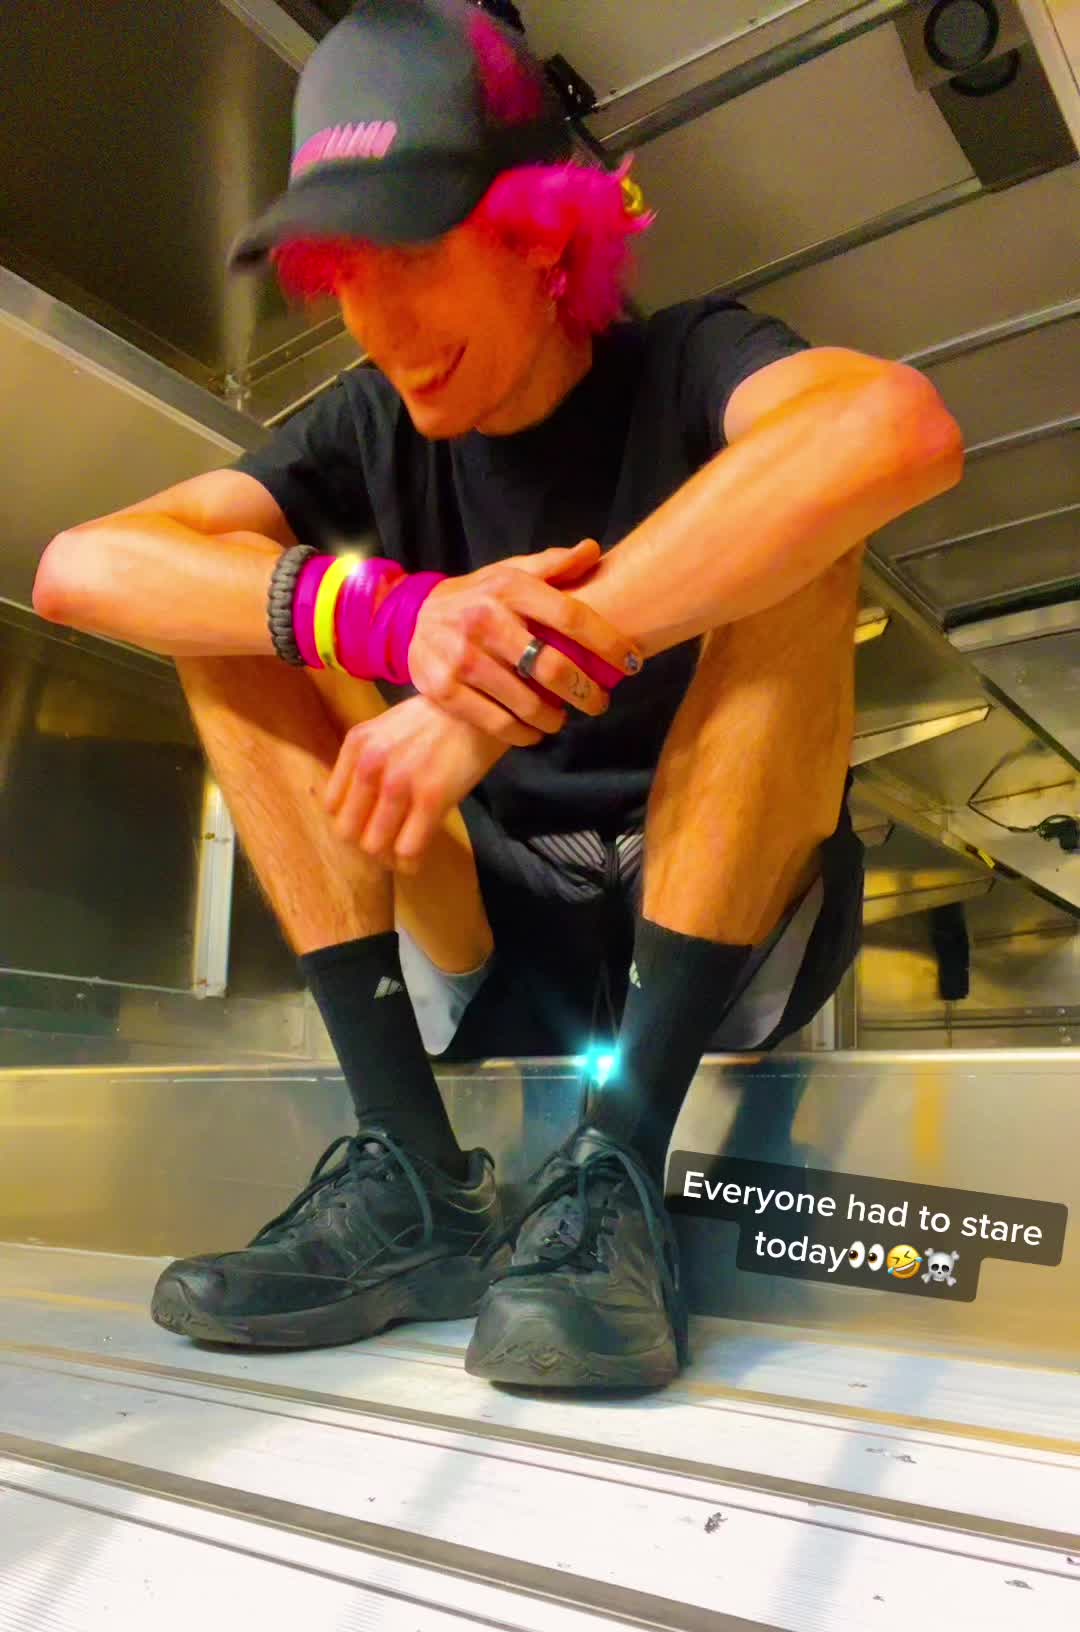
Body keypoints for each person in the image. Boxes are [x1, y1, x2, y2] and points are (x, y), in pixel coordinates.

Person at [33, 0, 964, 1390]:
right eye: (342, 272)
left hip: (719, 947)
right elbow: (78, 569)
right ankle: (413, 1176)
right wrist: (393, 617)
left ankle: (618, 1170)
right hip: (500, 928)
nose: (379, 324)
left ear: (540, 236)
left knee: (807, 529)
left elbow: (898, 426)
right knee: (216, 601)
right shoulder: (370, 421)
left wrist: (509, 679)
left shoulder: (686, 363)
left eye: (410, 255)